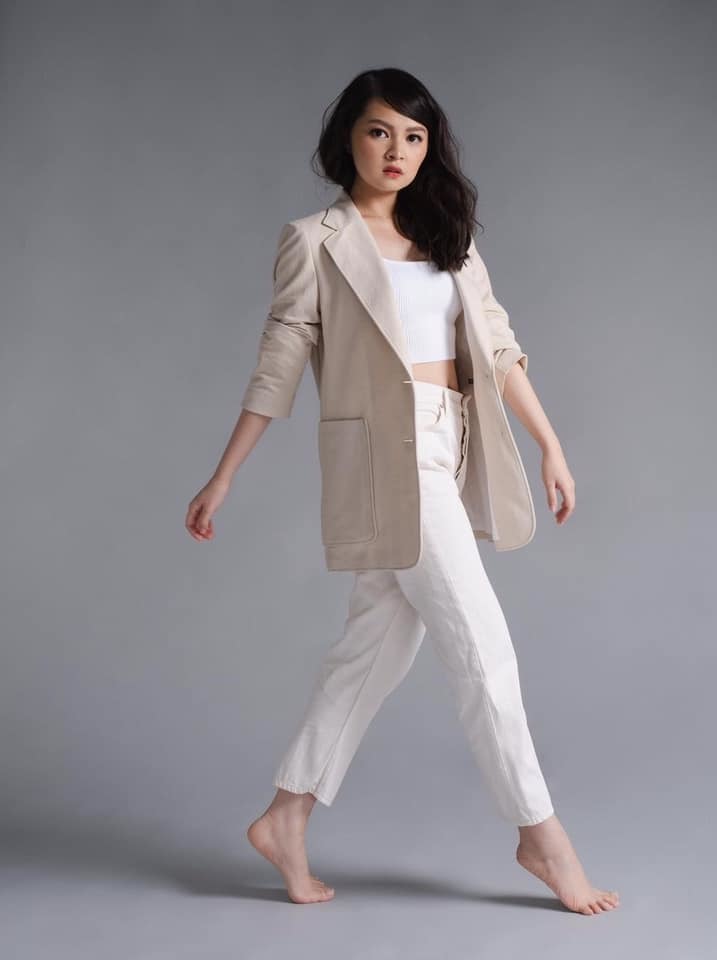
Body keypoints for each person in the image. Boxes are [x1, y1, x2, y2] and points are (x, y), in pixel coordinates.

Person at [185, 68, 619, 916]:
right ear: (348, 137)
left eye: (414, 136)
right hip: (389, 456)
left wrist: (552, 445)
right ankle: (541, 836)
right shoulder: (315, 241)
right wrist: (224, 474)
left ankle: (285, 815)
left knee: (376, 647)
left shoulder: (449, 240)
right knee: (483, 646)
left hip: (451, 444)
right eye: (379, 131)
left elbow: (498, 347)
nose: (397, 150)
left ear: (430, 148)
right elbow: (279, 361)